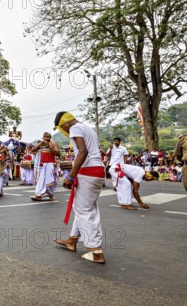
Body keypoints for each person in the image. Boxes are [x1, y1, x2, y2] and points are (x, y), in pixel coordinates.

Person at [52, 111, 106, 264]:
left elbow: (83, 151)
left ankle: (96, 252)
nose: (65, 132)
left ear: (65, 123)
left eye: (63, 128)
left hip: (88, 172)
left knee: (84, 210)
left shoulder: (75, 128)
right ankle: (72, 240)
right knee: (84, 207)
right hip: (97, 171)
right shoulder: (88, 128)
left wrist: (70, 175)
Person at [31, 132, 60, 201]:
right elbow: (32, 150)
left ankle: (50, 195)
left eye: (48, 137)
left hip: (51, 165)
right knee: (41, 181)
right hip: (42, 165)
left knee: (50, 180)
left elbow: (58, 153)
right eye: (45, 137)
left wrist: (49, 147)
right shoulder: (40, 144)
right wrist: (40, 144)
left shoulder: (53, 144)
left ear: (50, 137)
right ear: (43, 137)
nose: (46, 138)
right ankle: (39, 195)